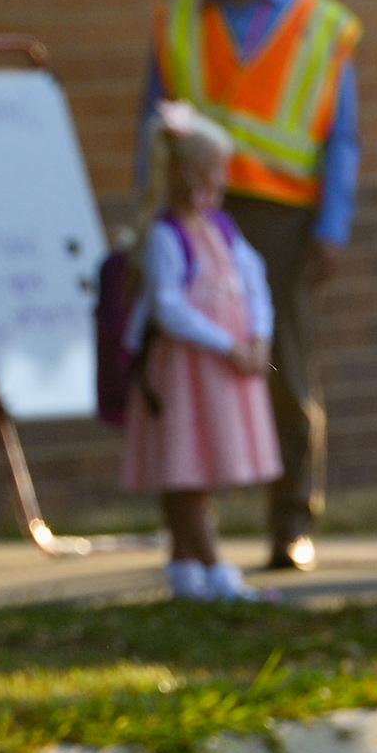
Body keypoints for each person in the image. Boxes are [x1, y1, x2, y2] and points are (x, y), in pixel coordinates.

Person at [143, 0, 359, 572]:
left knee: (285, 372)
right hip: (189, 223)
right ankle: (190, 536)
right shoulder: (175, 20)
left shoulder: (321, 25)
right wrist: (147, 215)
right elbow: (153, 131)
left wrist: (333, 226)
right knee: (181, 375)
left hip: (282, 222)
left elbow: (341, 139)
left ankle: (291, 523)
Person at [122, 101, 281, 600]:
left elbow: (255, 284)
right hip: (184, 375)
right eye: (217, 170)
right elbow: (168, 308)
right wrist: (228, 344)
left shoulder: (223, 231)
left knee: (198, 467)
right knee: (185, 468)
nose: (225, 180)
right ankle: (213, 568)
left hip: (221, 372)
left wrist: (258, 337)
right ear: (190, 174)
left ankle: (187, 568)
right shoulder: (166, 238)